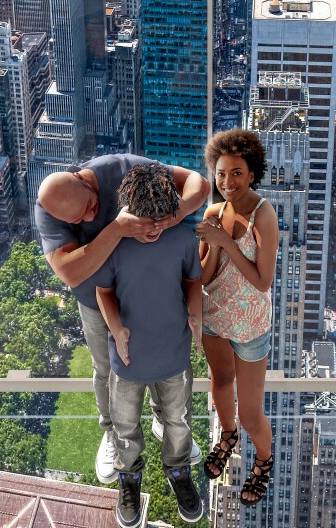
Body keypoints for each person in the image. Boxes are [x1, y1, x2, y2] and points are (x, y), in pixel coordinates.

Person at [34, 154, 208, 483]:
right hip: (96, 298)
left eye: (91, 205)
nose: (91, 215)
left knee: (166, 358)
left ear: (84, 180)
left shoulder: (121, 168)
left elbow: (199, 184)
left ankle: (165, 421)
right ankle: (113, 434)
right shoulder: (48, 209)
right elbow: (69, 272)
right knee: (107, 369)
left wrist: (172, 216)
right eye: (80, 219)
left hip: (151, 286)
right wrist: (117, 229)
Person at [93, 164, 204, 527]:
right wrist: (117, 329)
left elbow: (192, 281)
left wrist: (196, 314)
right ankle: (129, 480)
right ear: (127, 212)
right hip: (127, 359)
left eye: (162, 218)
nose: (155, 227)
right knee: (125, 427)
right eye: (146, 220)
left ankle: (179, 473)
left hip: (174, 353)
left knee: (178, 421)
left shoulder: (184, 239)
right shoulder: (114, 246)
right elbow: (103, 292)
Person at [195, 129, 278, 506]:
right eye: (221, 173)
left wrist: (227, 242)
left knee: (250, 413)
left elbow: (263, 281)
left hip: (250, 324)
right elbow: (206, 275)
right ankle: (226, 438)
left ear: (253, 173)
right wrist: (213, 244)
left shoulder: (264, 214)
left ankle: (263, 459)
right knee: (219, 384)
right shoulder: (213, 212)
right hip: (215, 317)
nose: (227, 182)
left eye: (237, 173)